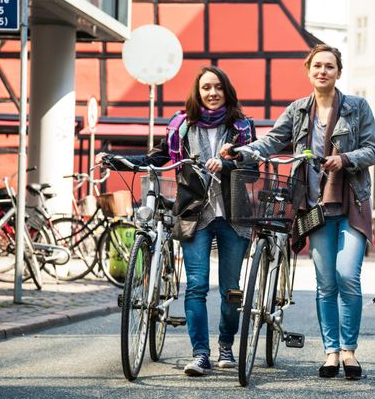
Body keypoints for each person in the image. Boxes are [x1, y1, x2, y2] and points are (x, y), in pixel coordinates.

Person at [221, 44, 375, 380]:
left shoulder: (357, 107)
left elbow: (372, 149)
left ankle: (350, 351)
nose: (323, 71)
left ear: (339, 72)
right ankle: (331, 352)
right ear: (308, 71)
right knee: (325, 283)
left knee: (347, 277)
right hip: (313, 205)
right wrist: (243, 150)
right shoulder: (297, 111)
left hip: (351, 201)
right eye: (317, 66)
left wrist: (346, 159)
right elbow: (272, 141)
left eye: (330, 66)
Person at [97, 66, 256, 376]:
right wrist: (117, 159)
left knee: (231, 289)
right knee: (195, 286)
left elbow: (251, 170)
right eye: (206, 88)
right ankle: (200, 354)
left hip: (233, 214)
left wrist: (228, 162)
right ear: (196, 93)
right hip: (193, 214)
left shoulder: (241, 127)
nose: (212, 93)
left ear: (227, 91)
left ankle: (226, 345)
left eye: (218, 87)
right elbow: (157, 158)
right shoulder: (180, 126)